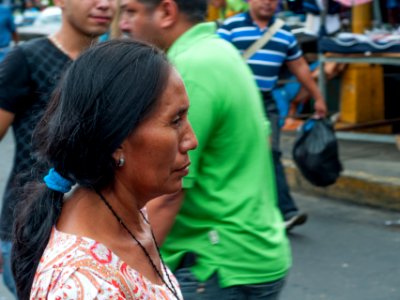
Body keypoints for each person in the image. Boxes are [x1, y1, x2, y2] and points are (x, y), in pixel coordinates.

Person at [120, 0, 291, 298]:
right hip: (255, 251)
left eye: (131, 11)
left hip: (215, 266)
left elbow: (168, 193)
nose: (123, 23)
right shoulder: (220, 50)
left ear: (166, 12)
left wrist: (125, 278)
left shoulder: (188, 69)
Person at [12, 39, 196, 300]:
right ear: (116, 142)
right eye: (175, 120)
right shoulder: (84, 288)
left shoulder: (129, 213)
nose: (192, 140)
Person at [0, 0, 116, 296]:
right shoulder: (26, 59)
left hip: (101, 235)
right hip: (29, 232)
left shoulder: (118, 65)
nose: (104, 4)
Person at [218, 0, 327, 231]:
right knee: (235, 154)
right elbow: (216, 63)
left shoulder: (284, 32)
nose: (268, 2)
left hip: (266, 102)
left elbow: (298, 65)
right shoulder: (230, 27)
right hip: (236, 100)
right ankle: (236, 210)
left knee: (272, 153)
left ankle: (287, 211)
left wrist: (317, 97)